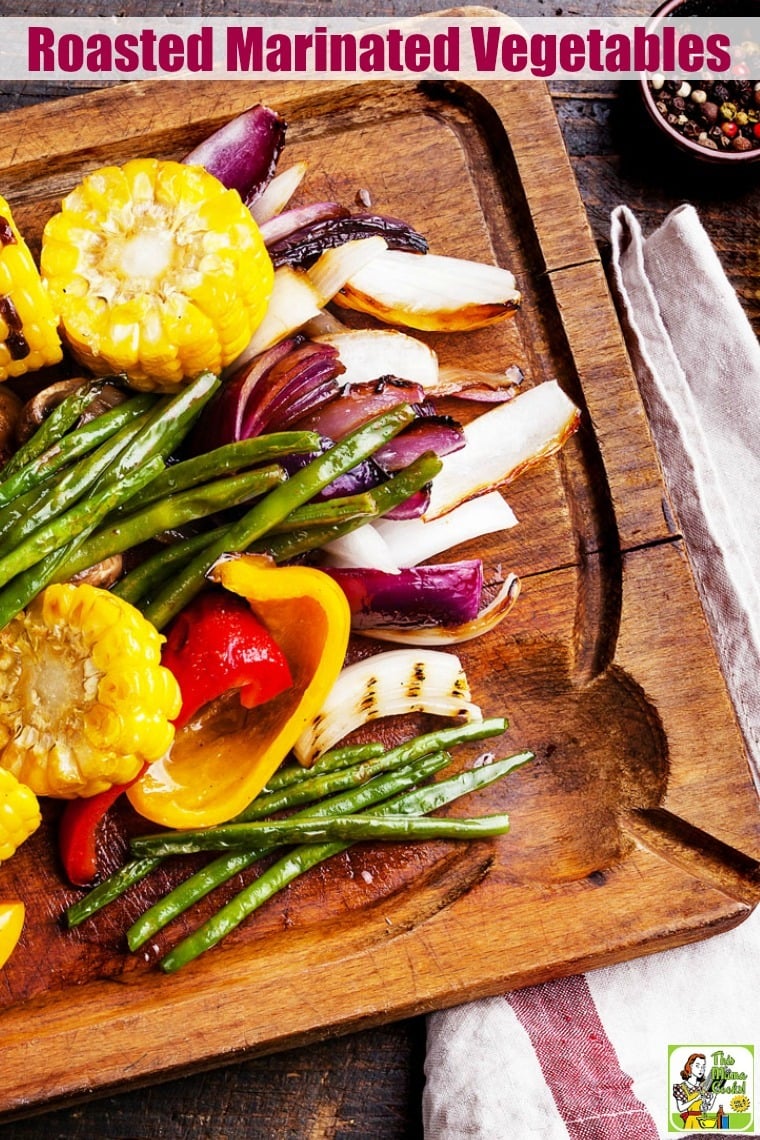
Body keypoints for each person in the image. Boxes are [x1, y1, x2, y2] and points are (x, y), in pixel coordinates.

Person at [672, 1053, 716, 1129]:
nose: (701, 1069)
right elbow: (681, 1108)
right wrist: (695, 1099)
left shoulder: (703, 1087)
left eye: (703, 1067)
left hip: (701, 1122)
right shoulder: (680, 1087)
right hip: (690, 1122)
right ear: (690, 1066)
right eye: (698, 1066)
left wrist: (714, 1094)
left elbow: (706, 1108)